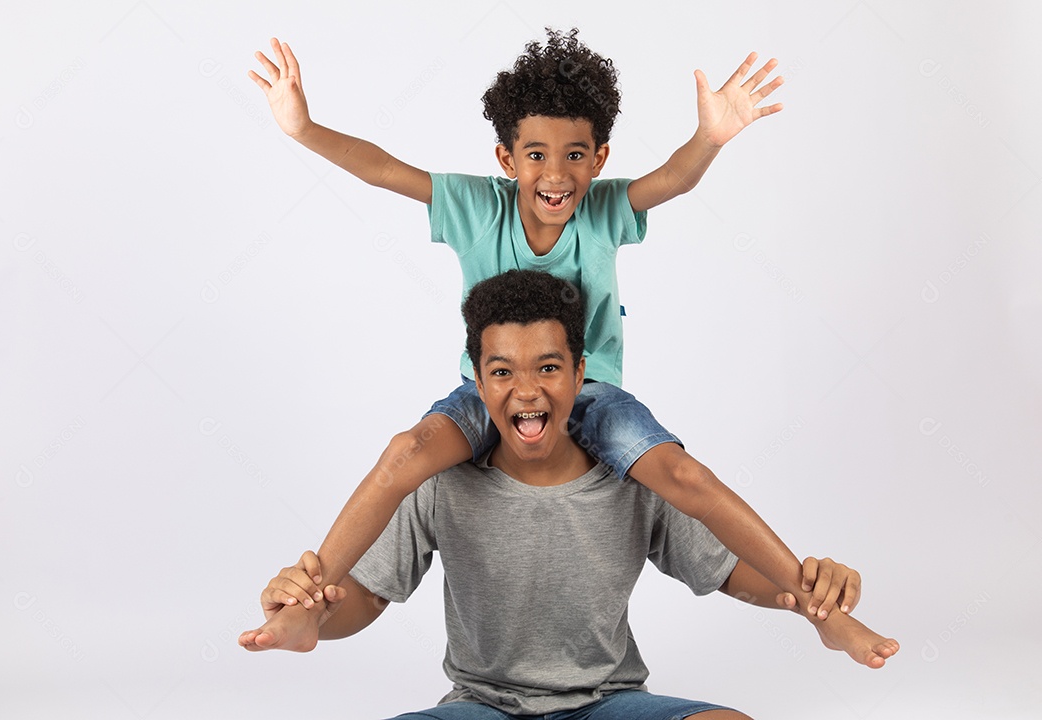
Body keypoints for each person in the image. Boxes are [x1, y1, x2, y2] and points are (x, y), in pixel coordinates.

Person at [246, 28, 851, 626]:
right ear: (507, 159)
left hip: (592, 392)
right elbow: (382, 169)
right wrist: (304, 129)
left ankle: (813, 599)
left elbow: (673, 179)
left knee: (683, 474)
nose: (556, 175)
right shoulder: (478, 207)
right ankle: (308, 597)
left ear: (599, 158)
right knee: (406, 452)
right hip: (490, 390)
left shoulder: (605, 210)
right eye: (536, 155)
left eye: (574, 156)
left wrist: (708, 139)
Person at [238, 270, 900, 719]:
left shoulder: (631, 475)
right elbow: (366, 596)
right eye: (503, 371)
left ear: (581, 374)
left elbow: (729, 570)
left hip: (606, 703)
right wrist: (316, 617)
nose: (526, 390)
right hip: (482, 707)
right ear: (478, 383)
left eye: (548, 367)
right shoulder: (440, 479)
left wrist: (808, 592)